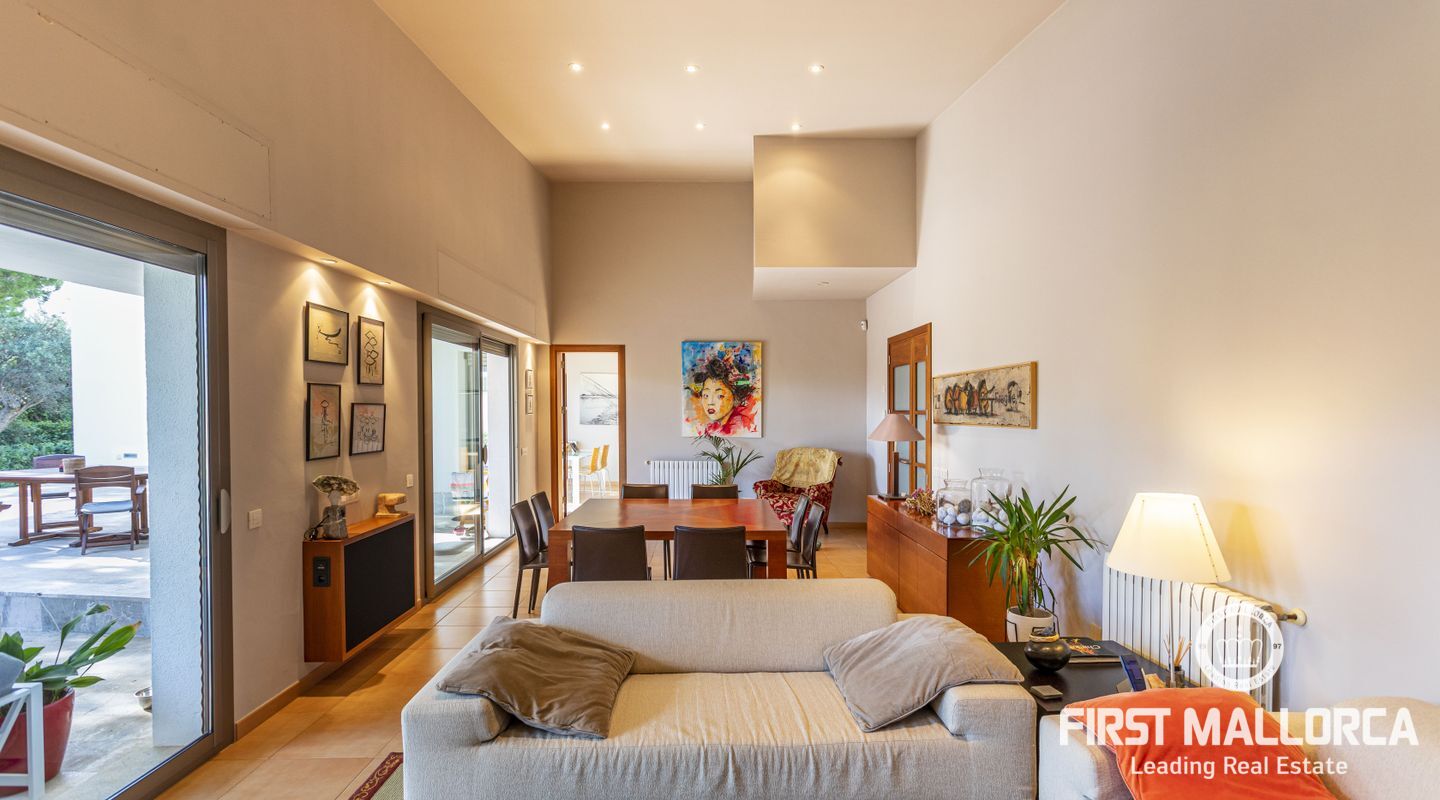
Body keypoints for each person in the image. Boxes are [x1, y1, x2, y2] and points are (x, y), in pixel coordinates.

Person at [686, 351, 759, 436]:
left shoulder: (740, 428)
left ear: (735, 397)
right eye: (706, 395)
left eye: (719, 396)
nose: (710, 402)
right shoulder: (713, 429)